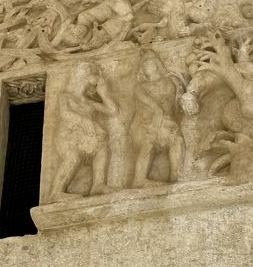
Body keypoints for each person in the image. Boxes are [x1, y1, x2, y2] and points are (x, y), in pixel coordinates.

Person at [50, 62, 118, 200]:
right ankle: (56, 192)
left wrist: (103, 91)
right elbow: (64, 113)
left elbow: (113, 110)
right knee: (73, 157)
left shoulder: (88, 101)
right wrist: (83, 120)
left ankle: (98, 185)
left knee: (102, 149)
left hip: (88, 137)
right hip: (69, 136)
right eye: (85, 75)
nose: (88, 81)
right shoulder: (66, 96)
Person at [130, 52, 184, 186]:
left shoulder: (170, 82)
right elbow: (149, 102)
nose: (146, 66)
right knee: (147, 142)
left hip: (166, 124)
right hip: (145, 125)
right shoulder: (140, 87)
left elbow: (174, 104)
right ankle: (139, 179)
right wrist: (157, 111)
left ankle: (175, 177)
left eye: (150, 63)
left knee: (177, 140)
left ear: (157, 64)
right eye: (144, 64)